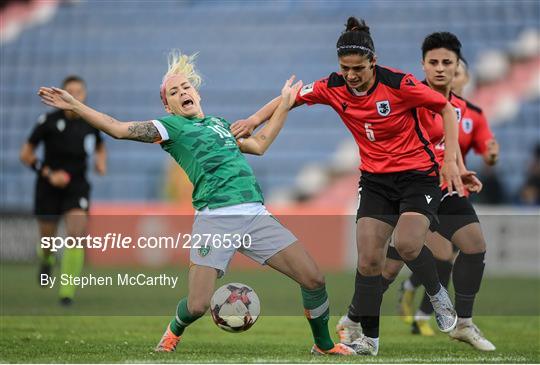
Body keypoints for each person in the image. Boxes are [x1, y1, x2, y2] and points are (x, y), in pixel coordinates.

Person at [37, 50, 355, 356]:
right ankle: (174, 330)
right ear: (169, 106)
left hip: (255, 215)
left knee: (314, 278)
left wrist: (284, 103)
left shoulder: (219, 124)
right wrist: (75, 105)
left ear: (197, 93)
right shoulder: (171, 127)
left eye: (186, 87)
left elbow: (259, 145)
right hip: (214, 220)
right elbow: (118, 129)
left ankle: (324, 344)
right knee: (198, 305)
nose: (182, 92)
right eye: (174, 92)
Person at [232, 17, 470, 356]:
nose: (352, 75)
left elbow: (446, 108)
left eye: (358, 68)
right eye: (346, 68)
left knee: (405, 243)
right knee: (368, 262)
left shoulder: (399, 84)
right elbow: (290, 98)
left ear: (373, 61)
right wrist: (255, 121)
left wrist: (450, 161)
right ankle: (369, 341)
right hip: (375, 180)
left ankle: (437, 294)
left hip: (418, 175)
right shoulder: (334, 86)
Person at [381, 32, 496, 351]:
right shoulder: (412, 98)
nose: (442, 69)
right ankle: (357, 319)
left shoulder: (459, 108)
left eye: (449, 63)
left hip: (446, 190)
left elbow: (451, 145)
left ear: (458, 67)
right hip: (415, 191)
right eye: (435, 63)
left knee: (473, 246)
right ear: (424, 65)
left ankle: (464, 324)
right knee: (385, 271)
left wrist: (460, 170)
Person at [20, 75, 107, 305]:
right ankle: (47, 260)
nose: (75, 95)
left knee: (76, 234)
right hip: (48, 186)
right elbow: (26, 154)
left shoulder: (90, 122)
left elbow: (100, 145)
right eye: (70, 91)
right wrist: (49, 174)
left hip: (77, 186)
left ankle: (67, 291)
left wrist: (100, 162)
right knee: (47, 240)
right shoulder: (48, 121)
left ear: (84, 94)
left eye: (79, 91)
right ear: (62, 94)